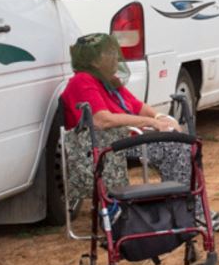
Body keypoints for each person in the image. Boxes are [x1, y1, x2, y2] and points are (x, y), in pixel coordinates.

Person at [59, 33, 193, 204]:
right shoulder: (82, 81)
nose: (116, 57)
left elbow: (137, 106)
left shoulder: (107, 80)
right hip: (107, 145)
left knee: (186, 142)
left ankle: (182, 206)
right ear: (94, 61)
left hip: (127, 140)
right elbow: (102, 120)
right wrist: (151, 122)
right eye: (109, 53)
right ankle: (182, 208)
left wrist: (161, 116)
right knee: (175, 148)